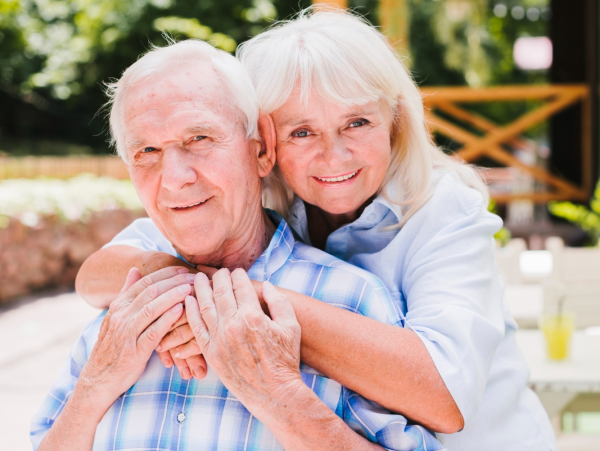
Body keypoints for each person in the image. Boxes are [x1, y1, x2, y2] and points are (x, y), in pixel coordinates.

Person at [75, 8, 556, 450]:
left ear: (394, 121)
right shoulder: (259, 194)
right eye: (301, 132)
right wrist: (175, 286)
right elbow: (96, 275)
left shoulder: (444, 212)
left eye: (357, 123)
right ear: (265, 142)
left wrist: (239, 301)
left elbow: (443, 397)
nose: (334, 154)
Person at [30, 39, 444, 451]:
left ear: (260, 147)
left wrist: (281, 396)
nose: (174, 177)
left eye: (199, 138)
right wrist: (95, 385)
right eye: (147, 150)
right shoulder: (121, 305)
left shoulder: (353, 300)